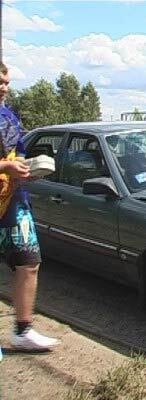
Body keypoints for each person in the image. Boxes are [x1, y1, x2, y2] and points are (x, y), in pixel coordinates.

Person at [0, 62, 59, 351]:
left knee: (28, 261)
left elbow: (17, 155)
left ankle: (23, 331)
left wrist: (27, 170)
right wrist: (6, 166)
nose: (4, 87)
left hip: (12, 199)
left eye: (7, 82)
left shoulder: (9, 117)